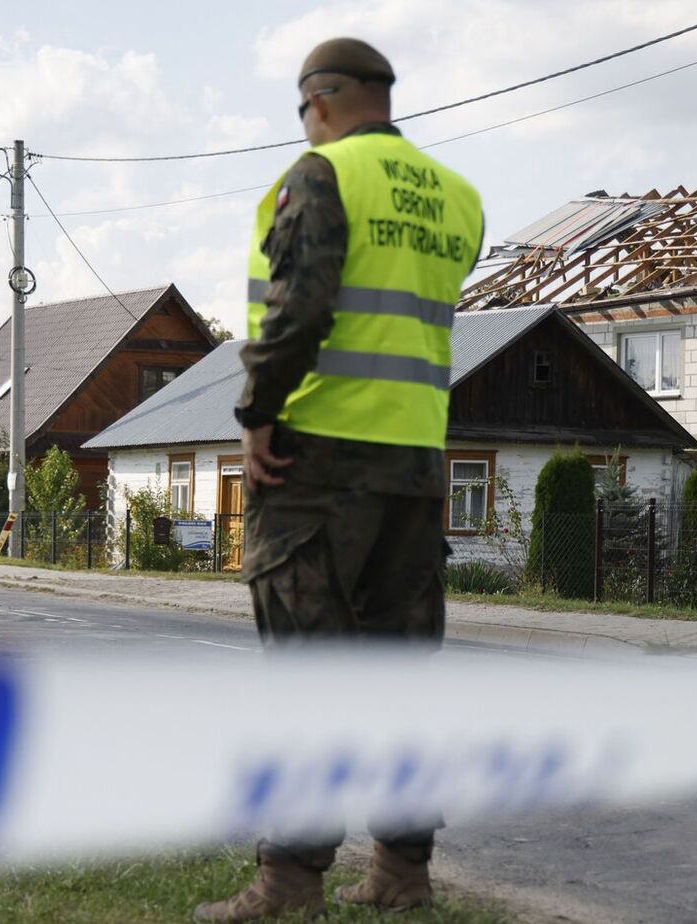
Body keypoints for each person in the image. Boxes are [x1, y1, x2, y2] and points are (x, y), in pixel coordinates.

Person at [193, 37, 484, 924]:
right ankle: (402, 871)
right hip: (415, 464)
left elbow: (302, 306)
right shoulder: (458, 197)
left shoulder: (320, 176)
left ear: (319, 100)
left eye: (301, 109)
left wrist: (257, 413)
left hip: (316, 462)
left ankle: (288, 885)